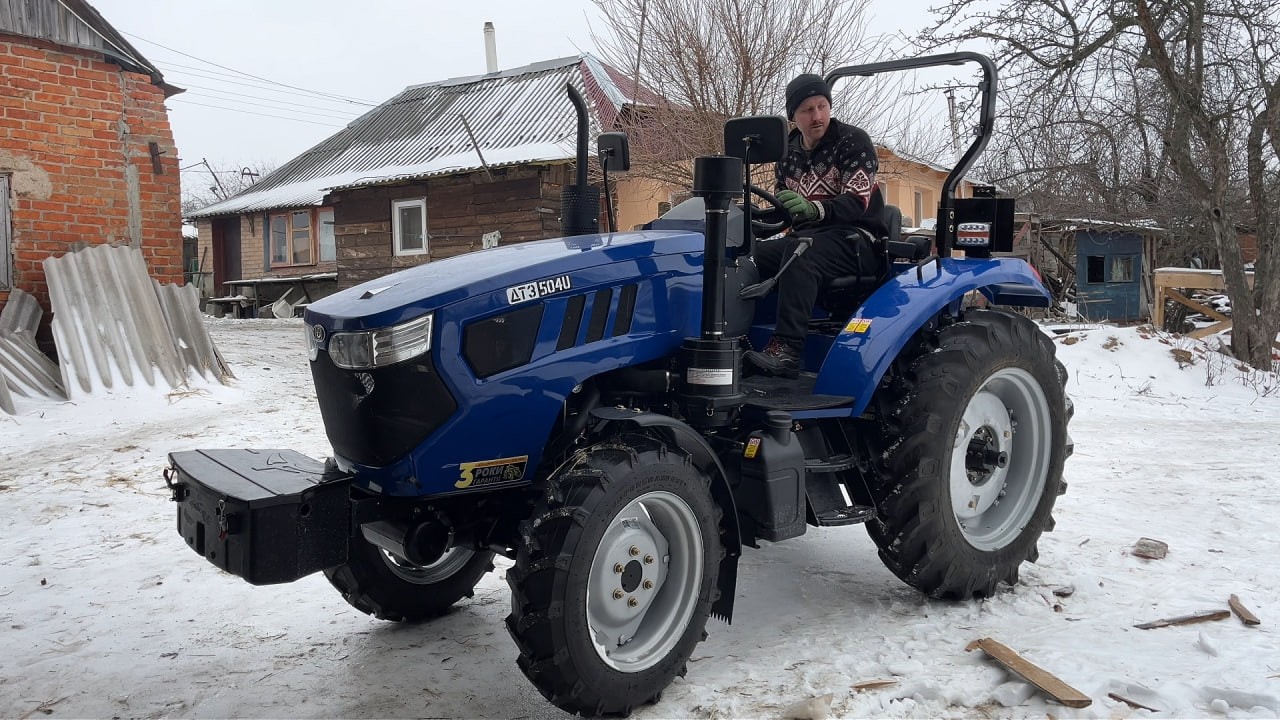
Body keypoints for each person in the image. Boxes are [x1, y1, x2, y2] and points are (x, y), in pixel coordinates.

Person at [744, 73, 887, 377]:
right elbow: (788, 210)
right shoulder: (787, 152)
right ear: (793, 116)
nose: (817, 116)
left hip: (857, 238)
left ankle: (786, 350)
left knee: (800, 252)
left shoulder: (853, 142)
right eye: (807, 110)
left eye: (822, 106)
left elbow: (856, 202)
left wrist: (815, 209)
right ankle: (734, 336)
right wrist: (750, 219)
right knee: (749, 255)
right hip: (810, 236)